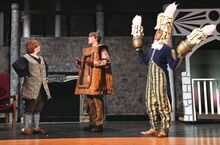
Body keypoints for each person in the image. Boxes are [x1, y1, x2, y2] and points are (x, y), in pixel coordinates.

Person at [75, 32, 114, 132]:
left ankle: (99, 123)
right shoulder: (88, 51)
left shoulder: (102, 48)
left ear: (95, 38)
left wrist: (94, 63)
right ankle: (92, 122)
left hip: (97, 78)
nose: (88, 39)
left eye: (90, 37)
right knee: (90, 101)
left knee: (97, 101)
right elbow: (88, 65)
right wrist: (81, 63)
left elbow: (107, 61)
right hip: (88, 80)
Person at [12, 39, 51, 135]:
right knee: (30, 107)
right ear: (34, 47)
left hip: (41, 87)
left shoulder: (40, 58)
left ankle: (36, 128)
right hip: (31, 86)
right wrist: (25, 74)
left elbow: (45, 68)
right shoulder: (26, 58)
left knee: (38, 107)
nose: (39, 47)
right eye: (38, 46)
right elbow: (16, 65)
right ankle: (25, 128)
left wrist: (44, 77)